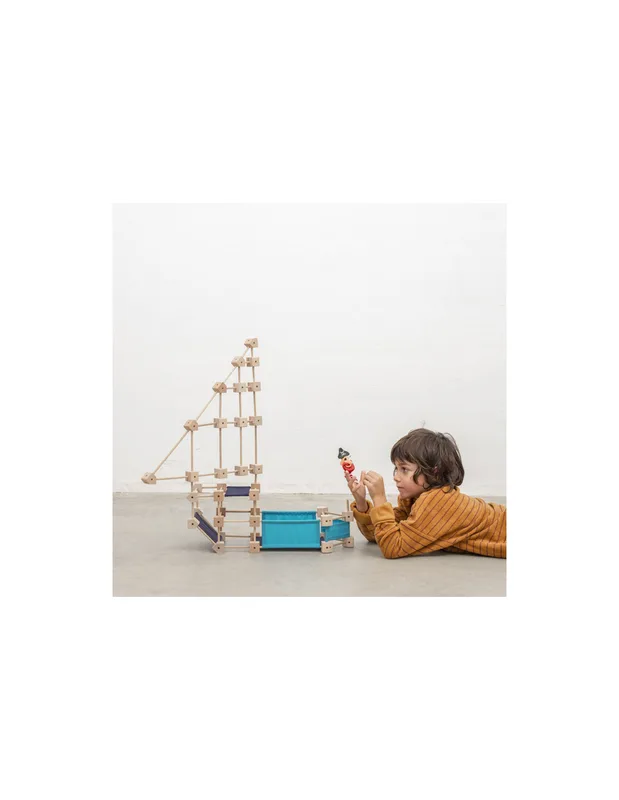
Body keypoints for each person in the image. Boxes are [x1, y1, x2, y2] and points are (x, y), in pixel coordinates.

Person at [345, 428, 506, 559]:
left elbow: (392, 547)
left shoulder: (438, 502)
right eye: (396, 468)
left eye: (404, 469)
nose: (396, 477)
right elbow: (379, 534)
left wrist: (379, 498)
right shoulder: (416, 499)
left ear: (433, 472)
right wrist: (361, 502)